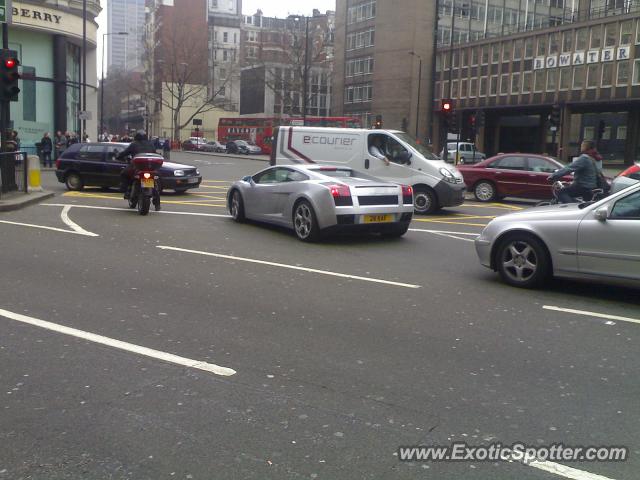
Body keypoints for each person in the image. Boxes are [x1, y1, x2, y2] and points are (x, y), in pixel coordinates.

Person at [116, 130, 157, 199]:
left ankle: (127, 190)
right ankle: (157, 203)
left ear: (137, 136)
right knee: (155, 180)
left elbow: (125, 153)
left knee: (124, 174)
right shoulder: (151, 144)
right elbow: (155, 153)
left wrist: (118, 156)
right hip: (149, 167)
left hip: (137, 166)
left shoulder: (134, 144)